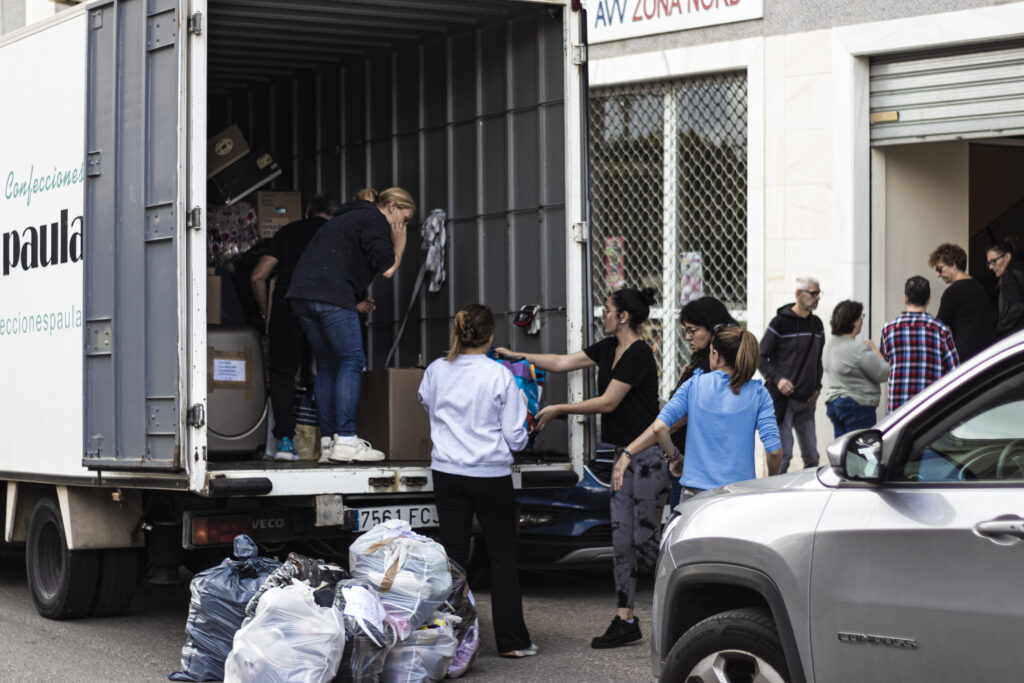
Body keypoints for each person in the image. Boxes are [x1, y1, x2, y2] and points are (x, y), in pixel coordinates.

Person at [494, 287, 667, 650]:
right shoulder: (606, 348)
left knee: (646, 542)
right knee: (621, 542)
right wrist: (517, 355)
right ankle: (625, 620)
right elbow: (561, 362)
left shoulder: (639, 355)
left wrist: (559, 409)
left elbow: (608, 403)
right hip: (620, 457)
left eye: (606, 310)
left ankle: (687, 604)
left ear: (623, 317)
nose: (601, 315)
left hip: (647, 459)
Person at [417, 304, 536, 659]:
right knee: (501, 555)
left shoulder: (437, 370)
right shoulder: (499, 376)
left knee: (453, 558)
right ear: (490, 335)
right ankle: (513, 642)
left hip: (447, 472)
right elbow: (516, 438)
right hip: (490, 474)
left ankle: (449, 643)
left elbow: (425, 402)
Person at [287, 186, 414, 463]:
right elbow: (388, 268)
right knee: (352, 360)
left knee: (329, 364)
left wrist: (353, 301)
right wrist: (400, 243)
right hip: (330, 297)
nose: (401, 226)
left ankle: (329, 444)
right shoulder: (375, 219)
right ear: (391, 206)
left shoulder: (345, 217)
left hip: (303, 296)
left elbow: (336, 261)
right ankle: (346, 439)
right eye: (403, 219)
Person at [622, 325, 782, 501]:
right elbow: (774, 451)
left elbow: (660, 427)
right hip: (739, 495)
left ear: (716, 355)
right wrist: (772, 479)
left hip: (695, 495)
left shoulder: (694, 384)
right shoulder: (759, 393)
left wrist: (675, 457)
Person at [250, 194, 339, 460]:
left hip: (287, 307)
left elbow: (257, 277)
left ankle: (286, 443)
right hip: (325, 306)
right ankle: (329, 442)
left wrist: (266, 312)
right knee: (326, 371)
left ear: (308, 212)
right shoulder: (336, 233)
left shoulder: (287, 232)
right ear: (331, 215)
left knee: (282, 374)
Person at [665, 297, 738, 507]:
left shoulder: (710, 368)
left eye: (692, 330)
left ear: (713, 329)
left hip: (693, 465)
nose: (688, 337)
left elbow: (676, 419)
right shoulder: (704, 361)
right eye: (685, 331)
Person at [758, 276, 825, 473]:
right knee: (784, 455)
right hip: (783, 401)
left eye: (818, 293)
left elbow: (818, 359)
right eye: (813, 293)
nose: (817, 298)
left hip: (807, 400)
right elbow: (760, 357)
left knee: (812, 457)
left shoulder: (817, 324)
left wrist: (818, 387)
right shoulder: (779, 323)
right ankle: (775, 496)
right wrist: (778, 381)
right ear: (799, 295)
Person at [880, 276, 959, 413]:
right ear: (929, 300)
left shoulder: (888, 329)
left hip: (897, 412)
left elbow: (884, 362)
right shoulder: (941, 330)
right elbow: (954, 371)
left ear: (905, 298)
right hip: (929, 411)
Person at [822, 300, 889, 437]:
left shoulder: (829, 345)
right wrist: (875, 350)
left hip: (835, 404)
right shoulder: (857, 349)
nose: (862, 321)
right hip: (857, 406)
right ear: (854, 322)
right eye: (861, 317)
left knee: (843, 450)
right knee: (863, 453)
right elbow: (884, 373)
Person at [928, 242, 996, 361]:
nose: (938, 274)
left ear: (953, 265)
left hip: (966, 357)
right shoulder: (980, 287)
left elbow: (937, 327)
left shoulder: (952, 292)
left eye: (940, 268)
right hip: (988, 353)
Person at [986, 238, 1024, 338]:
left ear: (1007, 257)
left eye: (993, 261)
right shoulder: (1019, 272)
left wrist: (999, 329)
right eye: (988, 263)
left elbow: (1017, 307)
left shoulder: (1008, 277)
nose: (990, 267)